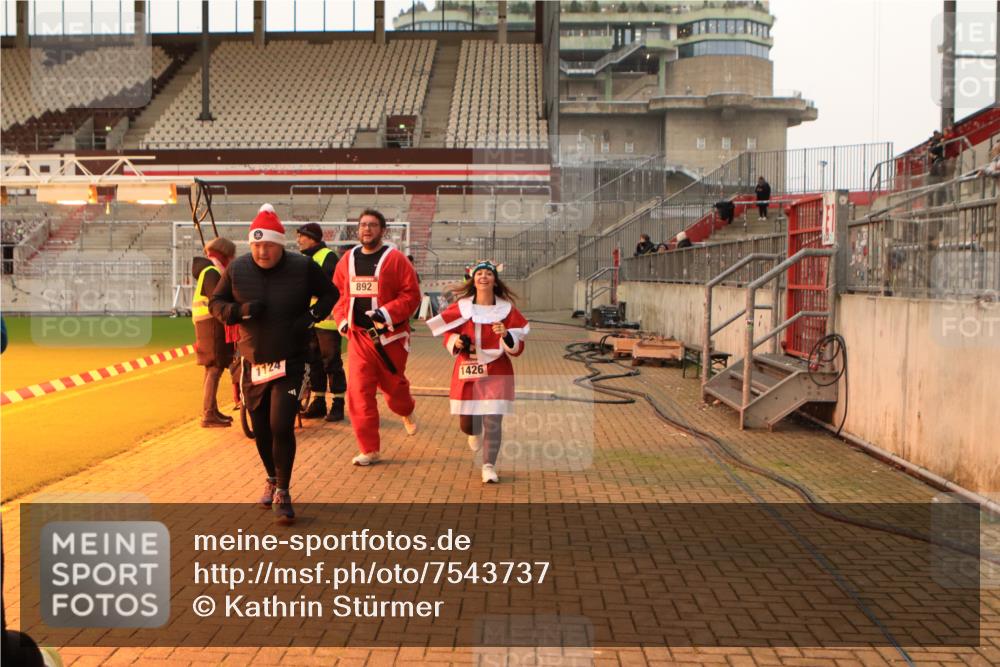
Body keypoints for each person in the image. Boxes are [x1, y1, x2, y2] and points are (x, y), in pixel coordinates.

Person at [210, 204, 335, 524]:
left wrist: (309, 318)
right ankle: (270, 476)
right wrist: (240, 312)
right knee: (261, 430)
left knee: (281, 425)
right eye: (256, 245)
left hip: (291, 359)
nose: (262, 252)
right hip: (254, 362)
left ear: (281, 244)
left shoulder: (302, 267)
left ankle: (283, 490)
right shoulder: (237, 269)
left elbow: (330, 295)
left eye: (268, 245)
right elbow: (217, 304)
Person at [332, 209, 422, 466]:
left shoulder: (396, 260)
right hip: (359, 338)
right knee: (359, 393)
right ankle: (369, 449)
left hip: (390, 339)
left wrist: (386, 312)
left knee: (395, 391)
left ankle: (406, 410)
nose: (367, 229)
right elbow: (338, 294)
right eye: (362, 225)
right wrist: (343, 321)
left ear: (383, 230)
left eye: (372, 225)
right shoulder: (347, 260)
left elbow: (411, 295)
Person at [426, 260, 529, 484]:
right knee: (467, 423)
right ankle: (473, 432)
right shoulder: (462, 307)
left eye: (488, 274)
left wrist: (506, 335)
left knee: (493, 420)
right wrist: (456, 341)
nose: (483, 276)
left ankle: (489, 465)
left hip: (496, 370)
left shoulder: (506, 310)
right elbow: (446, 332)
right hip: (468, 369)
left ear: (494, 280)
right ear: (473, 279)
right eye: (479, 273)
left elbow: (518, 347)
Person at [296, 223, 347, 422]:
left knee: (332, 363)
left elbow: (328, 288)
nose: (298, 240)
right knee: (314, 363)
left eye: (302, 236)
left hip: (327, 321)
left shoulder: (327, 256)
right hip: (311, 321)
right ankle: (318, 403)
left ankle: (338, 404)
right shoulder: (306, 258)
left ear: (312, 238)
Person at [191, 237, 237, 428]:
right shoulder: (212, 272)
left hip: (206, 324)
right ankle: (209, 413)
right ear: (225, 254)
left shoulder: (208, 270)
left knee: (211, 367)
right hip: (211, 325)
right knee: (215, 368)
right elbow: (217, 300)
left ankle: (211, 409)